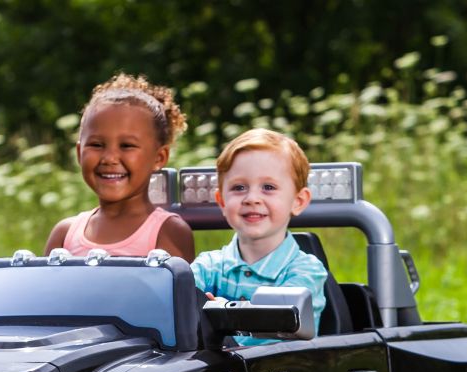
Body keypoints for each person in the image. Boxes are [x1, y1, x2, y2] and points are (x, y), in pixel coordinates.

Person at [191, 128, 327, 346]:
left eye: (268, 187)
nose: (252, 198)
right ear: (222, 201)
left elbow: (277, 329)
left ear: (298, 201)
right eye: (239, 187)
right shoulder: (209, 266)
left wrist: (223, 317)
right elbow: (176, 304)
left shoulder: (306, 271)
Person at [45, 74, 195, 260]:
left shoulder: (169, 232)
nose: (109, 158)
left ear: (159, 157)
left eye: (127, 146)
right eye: (97, 145)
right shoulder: (64, 236)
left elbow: (176, 289)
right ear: (79, 153)